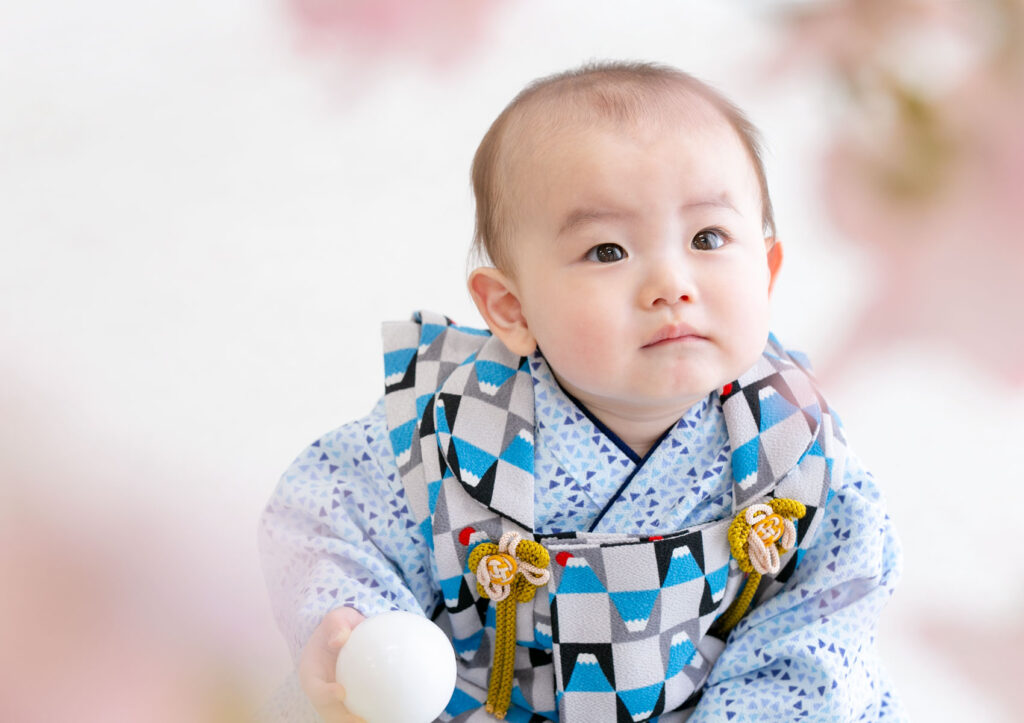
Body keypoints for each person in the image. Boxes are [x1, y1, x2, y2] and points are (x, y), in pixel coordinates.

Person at [259, 61, 903, 722]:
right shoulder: (452, 427)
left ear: (766, 273)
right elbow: (327, 515)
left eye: (707, 238)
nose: (671, 283)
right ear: (511, 308)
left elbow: (823, 619)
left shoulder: (795, 446)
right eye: (608, 251)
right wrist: (349, 621)